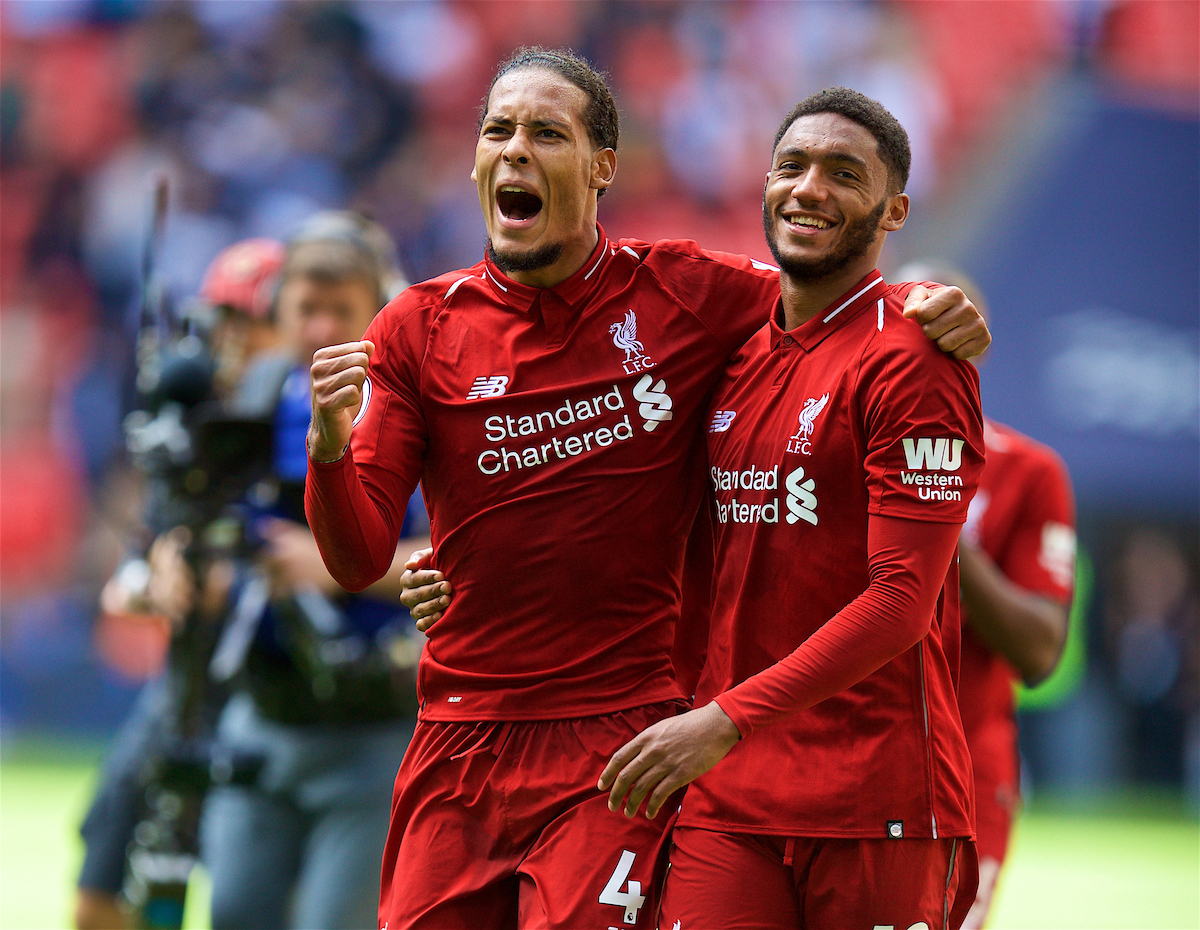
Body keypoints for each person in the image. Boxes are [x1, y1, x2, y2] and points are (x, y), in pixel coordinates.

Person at [305, 49, 989, 930]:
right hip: (459, 733)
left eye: (545, 132)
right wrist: (330, 448)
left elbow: (830, 296)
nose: (514, 150)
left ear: (601, 170)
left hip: (622, 736)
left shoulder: (688, 294)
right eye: (496, 131)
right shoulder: (416, 327)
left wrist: (928, 300)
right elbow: (357, 556)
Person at [597, 89, 985, 929]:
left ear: (894, 212)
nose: (809, 188)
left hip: (873, 800)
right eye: (792, 166)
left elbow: (901, 604)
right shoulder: (730, 357)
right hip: (727, 796)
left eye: (844, 174)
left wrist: (726, 718)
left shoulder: (915, 358)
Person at [76, 217, 428, 930]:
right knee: (231, 912)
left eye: (341, 311)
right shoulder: (246, 409)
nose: (321, 328)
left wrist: (338, 567)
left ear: (379, 313)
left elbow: (459, 560)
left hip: (374, 714)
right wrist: (174, 563)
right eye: (307, 309)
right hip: (254, 709)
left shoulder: (415, 409)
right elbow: (170, 542)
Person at [897, 263, 1076, 929]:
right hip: (832, 756)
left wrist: (937, 516)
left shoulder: (1028, 471)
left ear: (981, 343)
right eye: (909, 322)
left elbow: (1040, 651)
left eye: (950, 323)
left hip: (965, 766)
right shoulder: (825, 447)